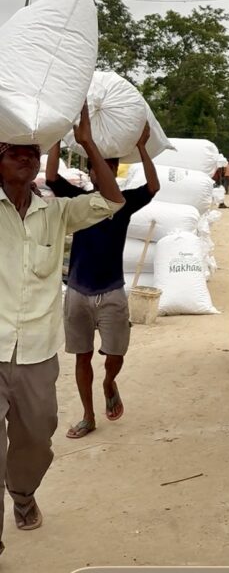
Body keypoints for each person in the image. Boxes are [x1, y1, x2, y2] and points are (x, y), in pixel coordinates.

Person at [0, 104, 124, 554]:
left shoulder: (55, 213)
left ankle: (24, 494)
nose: (30, 160)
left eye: (34, 153)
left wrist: (86, 142)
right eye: (18, 153)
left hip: (36, 353)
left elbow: (112, 201)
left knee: (35, 440)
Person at [45, 122, 160, 439]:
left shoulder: (122, 203)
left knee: (115, 355)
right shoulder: (79, 199)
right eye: (98, 167)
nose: (102, 171)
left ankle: (110, 382)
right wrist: (56, 137)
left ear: (115, 172)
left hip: (112, 292)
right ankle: (87, 416)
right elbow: (52, 176)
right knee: (82, 356)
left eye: (109, 166)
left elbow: (153, 186)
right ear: (92, 173)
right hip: (78, 292)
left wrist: (142, 147)